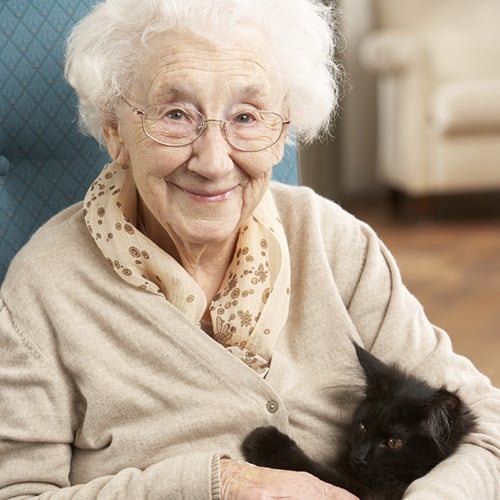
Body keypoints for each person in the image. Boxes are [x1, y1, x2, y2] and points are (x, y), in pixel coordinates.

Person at [0, 0, 499, 498]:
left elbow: (485, 429)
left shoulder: (332, 241)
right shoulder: (45, 290)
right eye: (176, 114)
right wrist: (221, 486)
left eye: (246, 116)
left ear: (283, 132)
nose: (215, 162)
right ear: (114, 130)